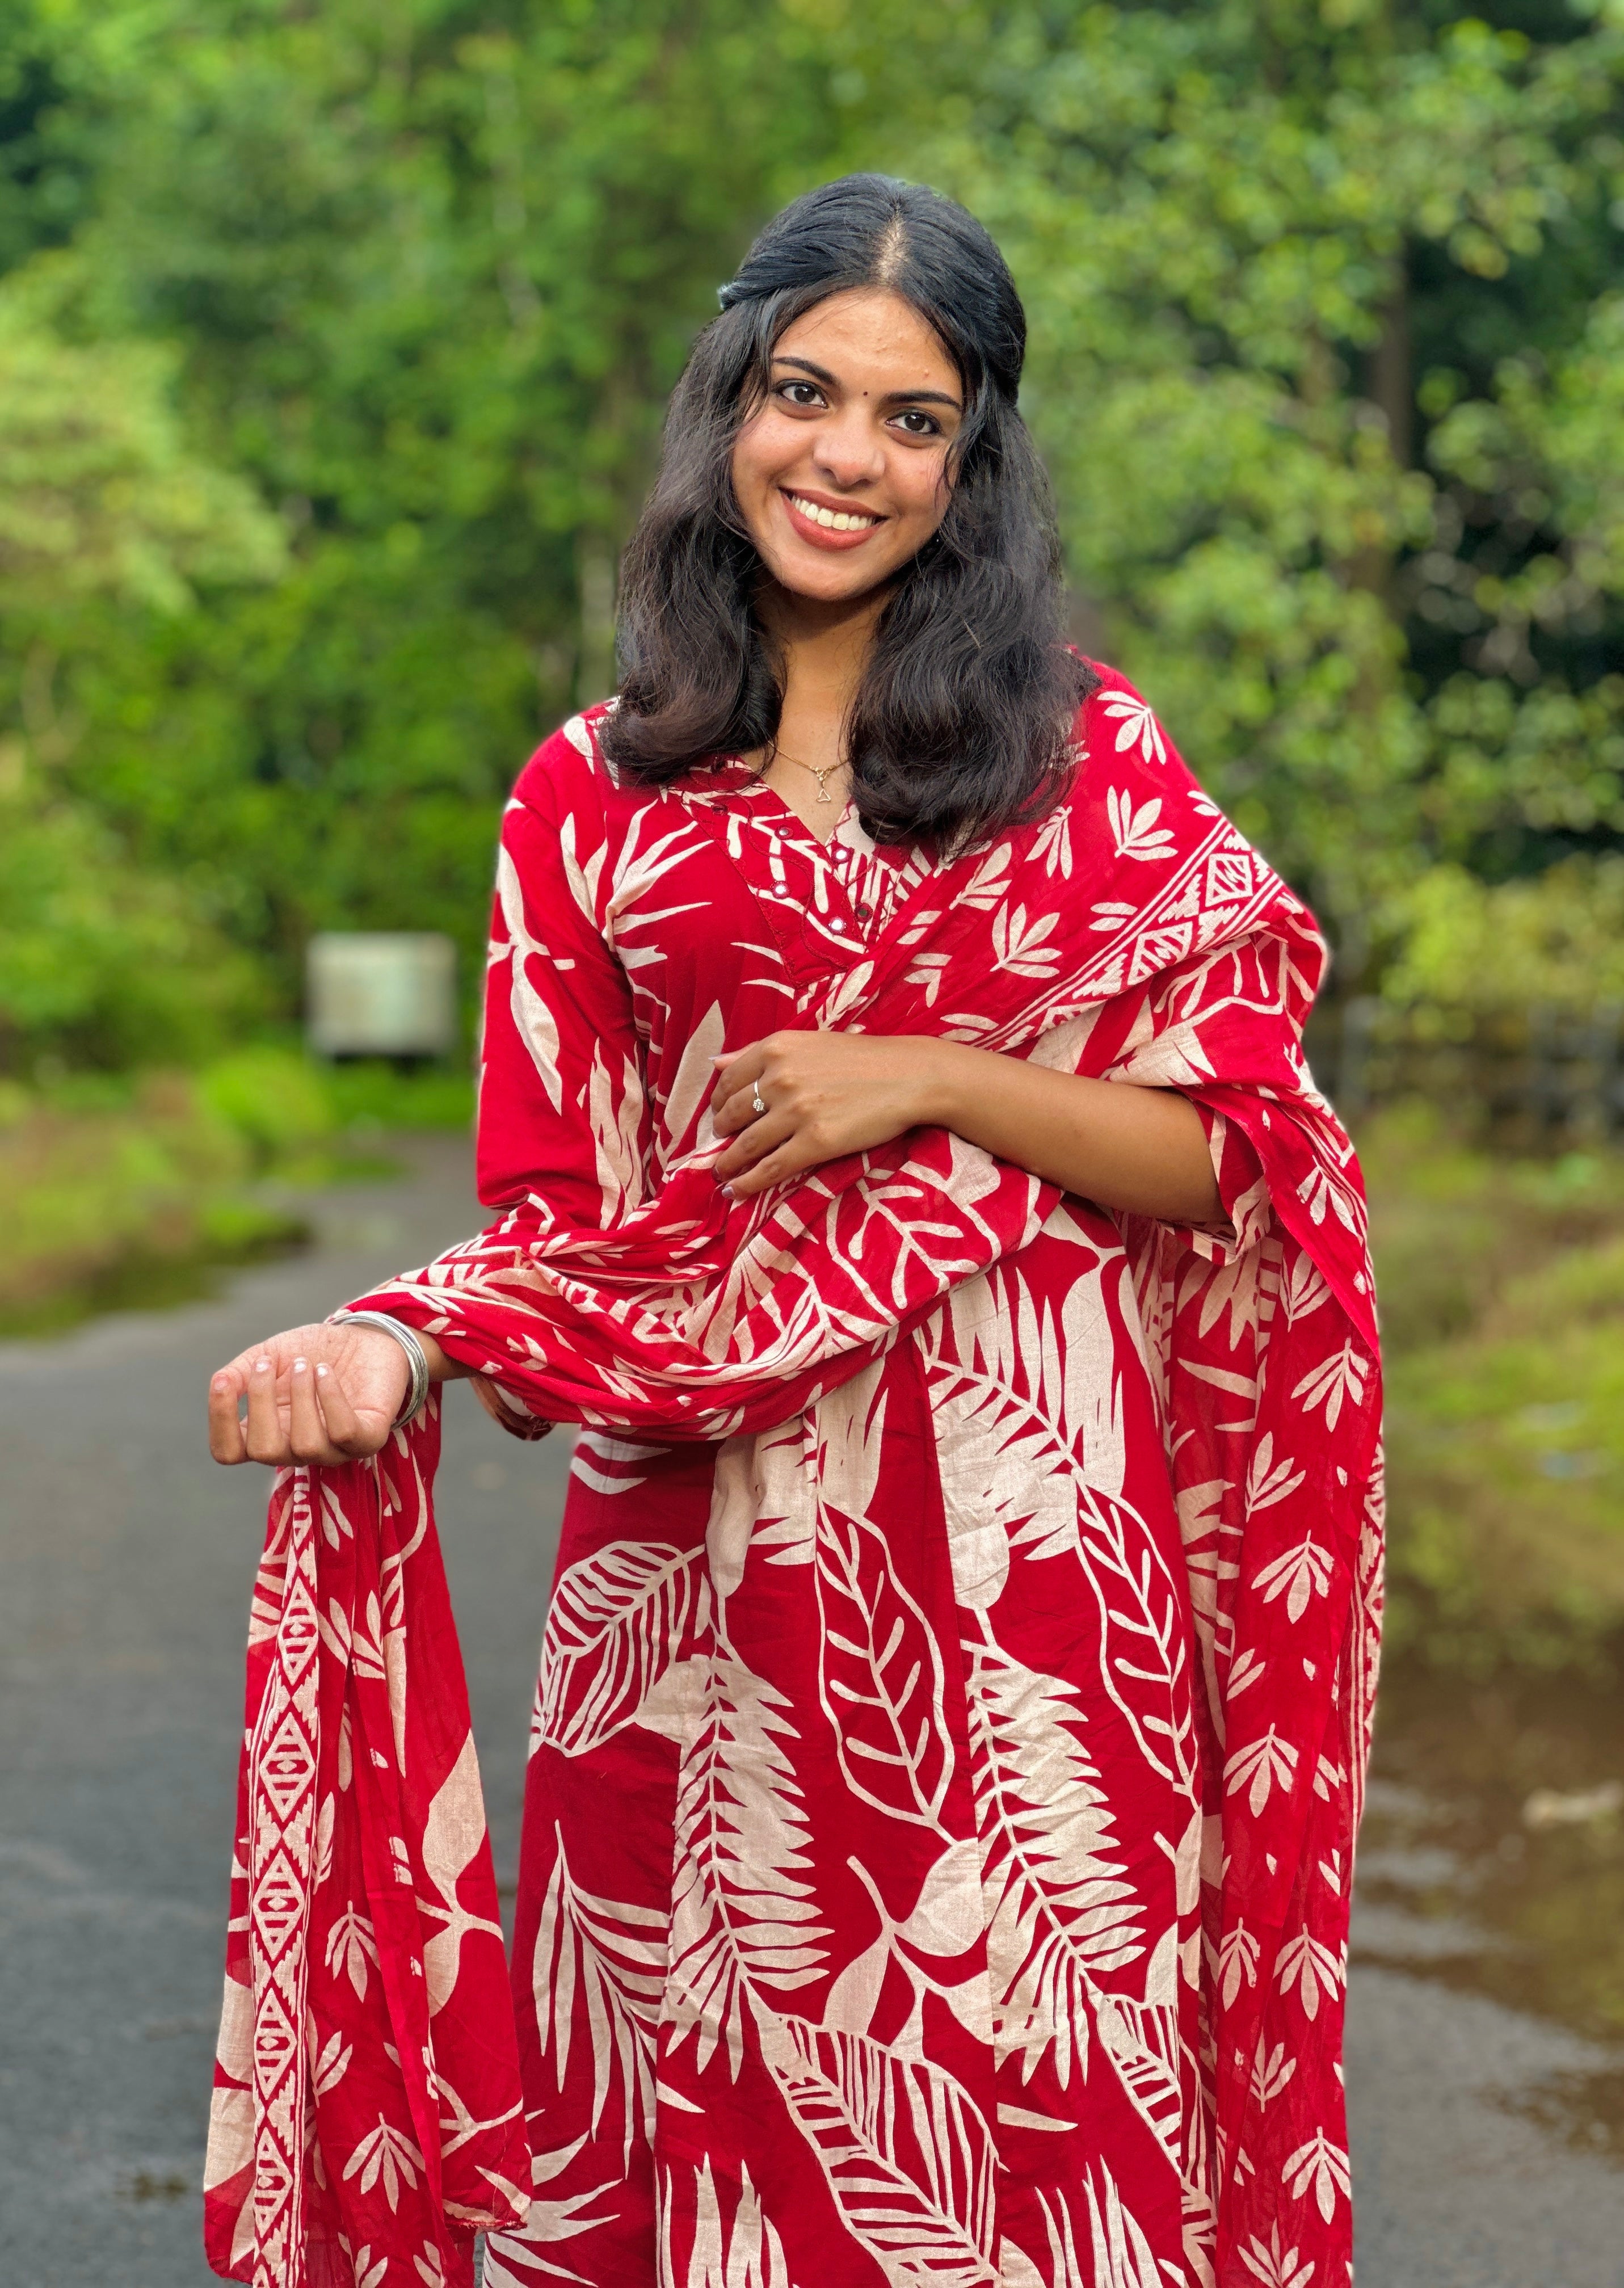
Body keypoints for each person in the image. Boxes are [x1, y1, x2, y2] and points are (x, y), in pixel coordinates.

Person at [203, 175, 1382, 2288]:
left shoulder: (1082, 759)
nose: (846, 458)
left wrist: (930, 1076)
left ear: (973, 459)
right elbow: (565, 1222)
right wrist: (399, 1340)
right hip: (692, 1579)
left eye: (913, 421)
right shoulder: (589, 795)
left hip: (1028, 1585)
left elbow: (1242, 1158)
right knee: (692, 2105)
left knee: (1026, 2118)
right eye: (805, 393)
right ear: (729, 399)